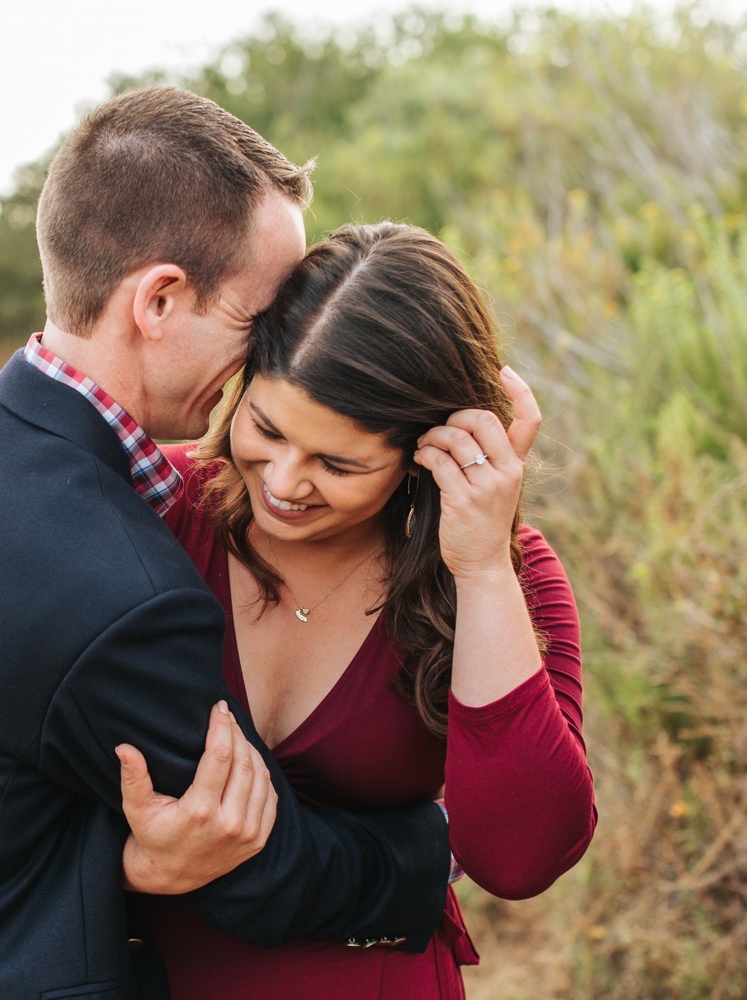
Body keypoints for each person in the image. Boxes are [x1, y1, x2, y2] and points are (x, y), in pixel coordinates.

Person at [0, 90, 454, 1000]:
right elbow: (251, 860)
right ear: (158, 298)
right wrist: (432, 850)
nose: (276, 358)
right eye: (261, 322)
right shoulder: (118, 581)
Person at [132, 221, 597, 999]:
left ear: (427, 449)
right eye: (267, 428)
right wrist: (130, 864)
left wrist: (480, 567)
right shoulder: (156, 506)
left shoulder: (502, 574)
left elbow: (522, 859)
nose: (283, 480)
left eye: (338, 463)